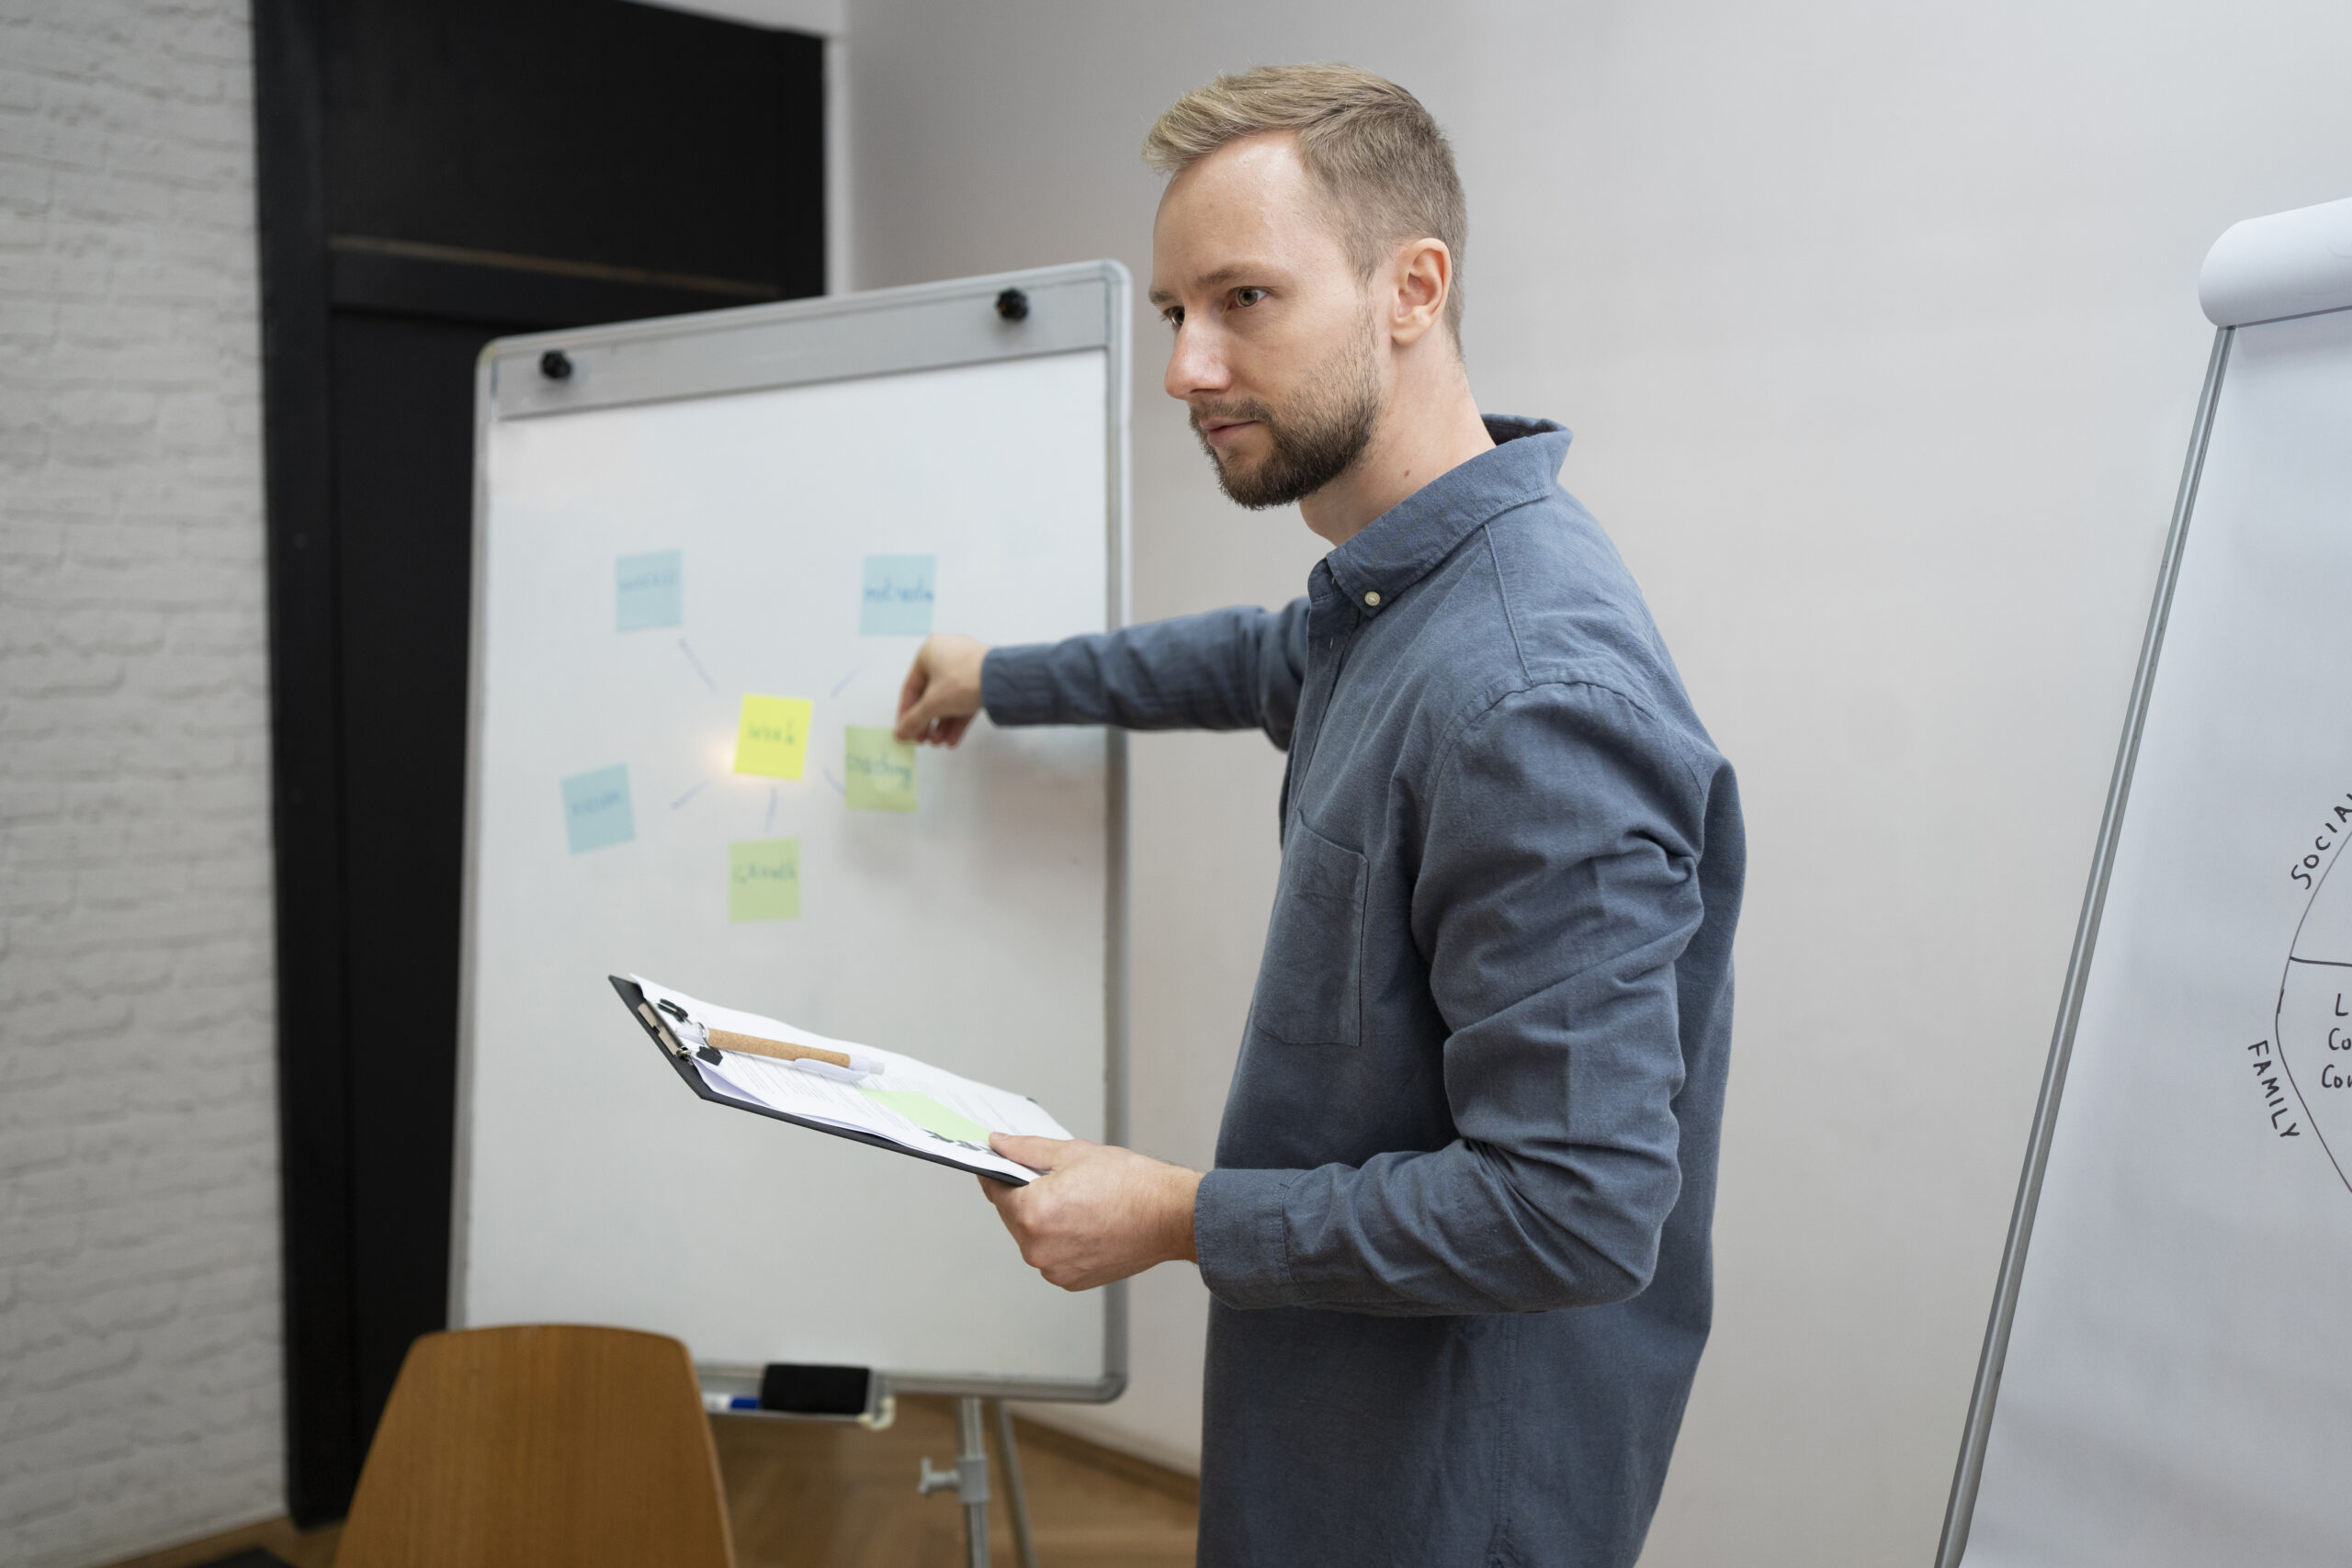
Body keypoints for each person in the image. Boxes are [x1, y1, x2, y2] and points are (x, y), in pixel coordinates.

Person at [893, 63, 1744, 1568]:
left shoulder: (1528, 693)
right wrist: (1001, 677)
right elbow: (1253, 657)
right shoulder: (1405, 595)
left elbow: (1576, 1210)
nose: (1186, 368)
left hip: (1446, 1499)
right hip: (1340, 1450)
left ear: (1412, 287)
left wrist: (1173, 1215)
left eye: (1244, 300)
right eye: (1175, 314)